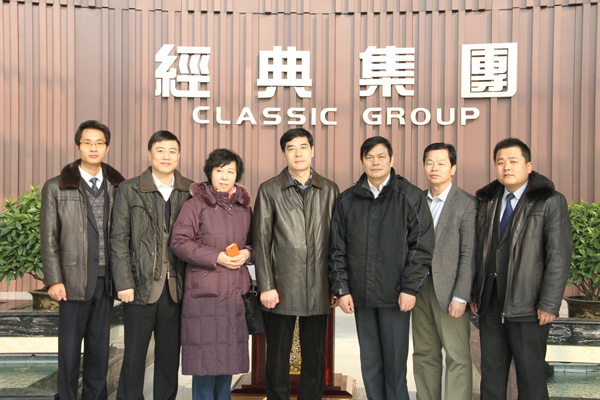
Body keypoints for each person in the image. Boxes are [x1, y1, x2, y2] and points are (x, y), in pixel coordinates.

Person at [329, 136, 434, 400]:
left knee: (395, 366)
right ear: (362, 161)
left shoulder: (409, 196)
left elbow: (421, 246)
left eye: (381, 156)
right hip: (361, 297)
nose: (375, 162)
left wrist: (410, 288)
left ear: (391, 159)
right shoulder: (346, 200)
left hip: (396, 297)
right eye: (370, 157)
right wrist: (342, 289)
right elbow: (336, 249)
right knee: (370, 363)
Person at [471, 138, 572, 400]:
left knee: (531, 378)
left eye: (513, 161)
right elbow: (479, 251)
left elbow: (559, 256)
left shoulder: (549, 201)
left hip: (529, 305)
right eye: (500, 162)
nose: (506, 167)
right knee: (491, 378)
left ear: (528, 166)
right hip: (491, 303)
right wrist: (476, 293)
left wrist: (549, 303)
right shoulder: (488, 201)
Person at [41, 120, 125, 400]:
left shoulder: (117, 187)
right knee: (69, 350)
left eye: (99, 143)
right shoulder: (56, 187)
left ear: (107, 147)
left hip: (106, 279)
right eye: (87, 142)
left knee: (99, 348)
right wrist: (54, 280)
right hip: (72, 280)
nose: (93, 148)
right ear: (78, 146)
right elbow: (49, 238)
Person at [253, 128, 339, 400]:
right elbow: (261, 241)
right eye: (291, 148)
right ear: (284, 154)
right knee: (278, 356)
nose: (298, 153)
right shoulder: (269, 189)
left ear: (312, 151)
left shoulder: (329, 189)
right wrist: (266, 285)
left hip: (319, 286)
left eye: (303, 147)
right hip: (281, 287)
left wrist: (336, 285)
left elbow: (337, 243)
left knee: (315, 356)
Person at [110, 130, 192, 400]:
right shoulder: (129, 189)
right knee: (134, 355)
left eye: (172, 151)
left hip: (176, 288)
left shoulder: (190, 191)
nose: (166, 156)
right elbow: (118, 238)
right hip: (140, 285)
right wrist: (124, 282)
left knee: (169, 357)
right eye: (160, 150)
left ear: (179, 155)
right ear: (149, 154)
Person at [170, 149, 252, 400]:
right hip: (204, 296)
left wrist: (247, 253)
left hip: (233, 294)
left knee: (227, 365)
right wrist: (216, 257)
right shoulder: (195, 205)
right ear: (210, 173)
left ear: (237, 175)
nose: (225, 177)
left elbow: (256, 242)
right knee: (205, 367)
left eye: (230, 172)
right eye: (219, 171)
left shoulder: (243, 208)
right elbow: (179, 242)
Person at [412, 143, 477, 400]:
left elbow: (469, 253)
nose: (434, 168)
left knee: (456, 356)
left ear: (453, 168)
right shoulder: (416, 200)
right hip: (419, 290)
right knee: (424, 354)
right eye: (429, 162)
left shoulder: (467, 203)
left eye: (441, 163)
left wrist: (461, 296)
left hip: (450, 292)